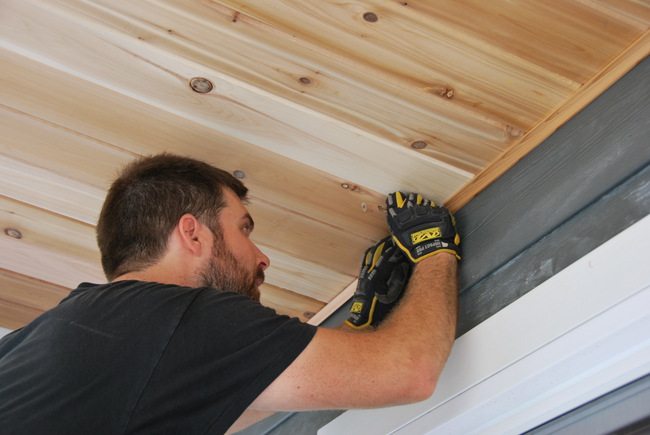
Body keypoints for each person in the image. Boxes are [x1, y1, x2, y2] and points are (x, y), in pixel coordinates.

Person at [0, 154, 460, 434]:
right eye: (243, 229)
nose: (262, 259)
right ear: (192, 234)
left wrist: (349, 345)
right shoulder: (179, 317)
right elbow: (409, 371)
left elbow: (217, 411)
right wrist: (434, 250)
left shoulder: (51, 341)